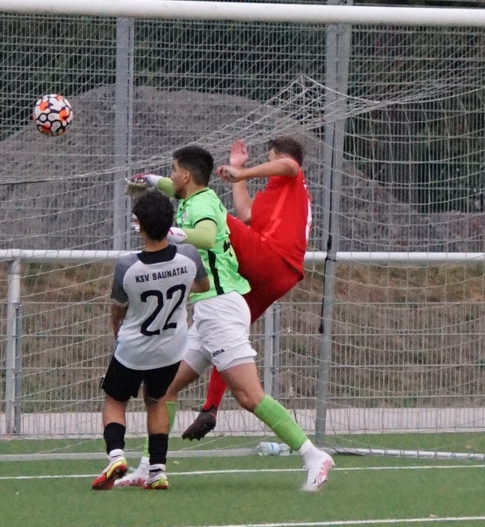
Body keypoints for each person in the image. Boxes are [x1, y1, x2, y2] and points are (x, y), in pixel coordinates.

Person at [119, 145, 334, 492]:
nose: (171, 176)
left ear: (186, 175)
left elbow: (205, 236)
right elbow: (174, 188)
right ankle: (149, 466)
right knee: (162, 390)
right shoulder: (191, 197)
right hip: (208, 310)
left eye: (173, 170)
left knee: (249, 396)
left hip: (221, 308)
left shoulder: (203, 204)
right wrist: (150, 180)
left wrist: (168, 233)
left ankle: (313, 455)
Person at [180, 136, 311, 440]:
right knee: (229, 336)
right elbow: (247, 215)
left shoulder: (292, 177)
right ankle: (210, 408)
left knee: (213, 212)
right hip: (280, 276)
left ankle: (180, 260)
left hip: (272, 259)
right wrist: (238, 171)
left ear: (276, 157)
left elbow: (289, 165)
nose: (267, 164)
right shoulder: (274, 195)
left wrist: (243, 173)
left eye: (269, 158)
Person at [91, 189, 210, 491]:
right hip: (171, 347)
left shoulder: (127, 266)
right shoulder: (189, 255)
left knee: (115, 400)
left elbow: (118, 309)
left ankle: (116, 456)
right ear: (170, 224)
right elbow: (202, 285)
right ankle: (157, 471)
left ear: (139, 225)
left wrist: (117, 332)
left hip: (134, 347)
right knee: (156, 401)